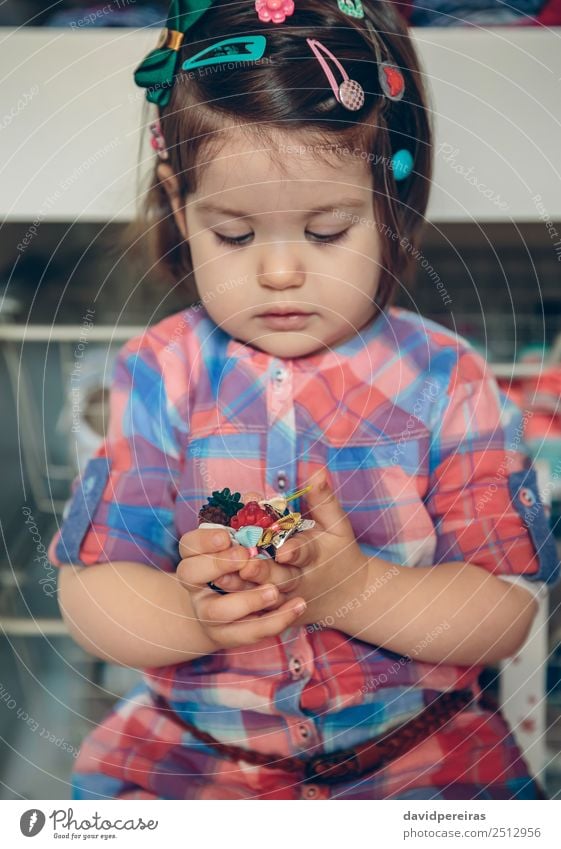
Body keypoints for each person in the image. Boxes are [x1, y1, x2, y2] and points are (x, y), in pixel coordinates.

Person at [48, 0, 559, 800]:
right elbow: (92, 591)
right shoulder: (158, 372)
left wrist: (354, 590)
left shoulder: (447, 379)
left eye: (325, 232)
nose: (279, 273)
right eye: (234, 235)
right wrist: (194, 615)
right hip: (198, 757)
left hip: (417, 760)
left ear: (389, 200)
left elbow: (504, 612)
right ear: (181, 205)